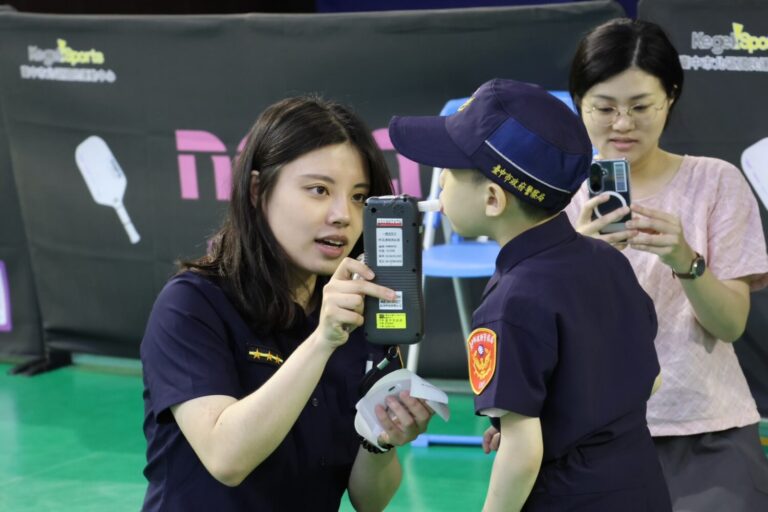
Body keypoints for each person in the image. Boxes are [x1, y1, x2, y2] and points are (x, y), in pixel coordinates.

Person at [140, 96, 435, 511]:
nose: (343, 215)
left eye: (358, 196)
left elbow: (369, 500)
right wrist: (323, 341)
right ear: (257, 190)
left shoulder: (359, 311)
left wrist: (380, 440)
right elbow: (226, 458)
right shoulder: (191, 304)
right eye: (319, 190)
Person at [389, 78, 671, 511]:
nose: (440, 181)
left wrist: (522, 431)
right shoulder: (608, 260)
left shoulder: (509, 303)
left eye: (449, 171)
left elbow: (521, 454)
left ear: (492, 199)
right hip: (643, 487)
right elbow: (649, 380)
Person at [565, 18, 768, 511]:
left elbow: (730, 324)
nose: (622, 124)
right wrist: (579, 261)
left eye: (641, 107)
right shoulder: (555, 197)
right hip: (588, 432)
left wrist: (686, 261)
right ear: (578, 103)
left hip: (707, 428)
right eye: (604, 108)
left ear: (670, 98)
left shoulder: (715, 182)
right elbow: (539, 330)